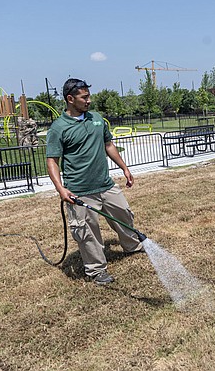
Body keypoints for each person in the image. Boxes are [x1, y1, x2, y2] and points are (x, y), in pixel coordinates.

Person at [46, 78, 143, 285]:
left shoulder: (97, 119)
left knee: (124, 215)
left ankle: (132, 246)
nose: (89, 100)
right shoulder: (59, 128)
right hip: (80, 190)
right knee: (87, 231)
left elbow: (108, 145)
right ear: (70, 99)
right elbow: (52, 161)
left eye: (89, 96)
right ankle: (96, 270)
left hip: (105, 184)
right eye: (85, 97)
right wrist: (61, 189)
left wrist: (125, 168)